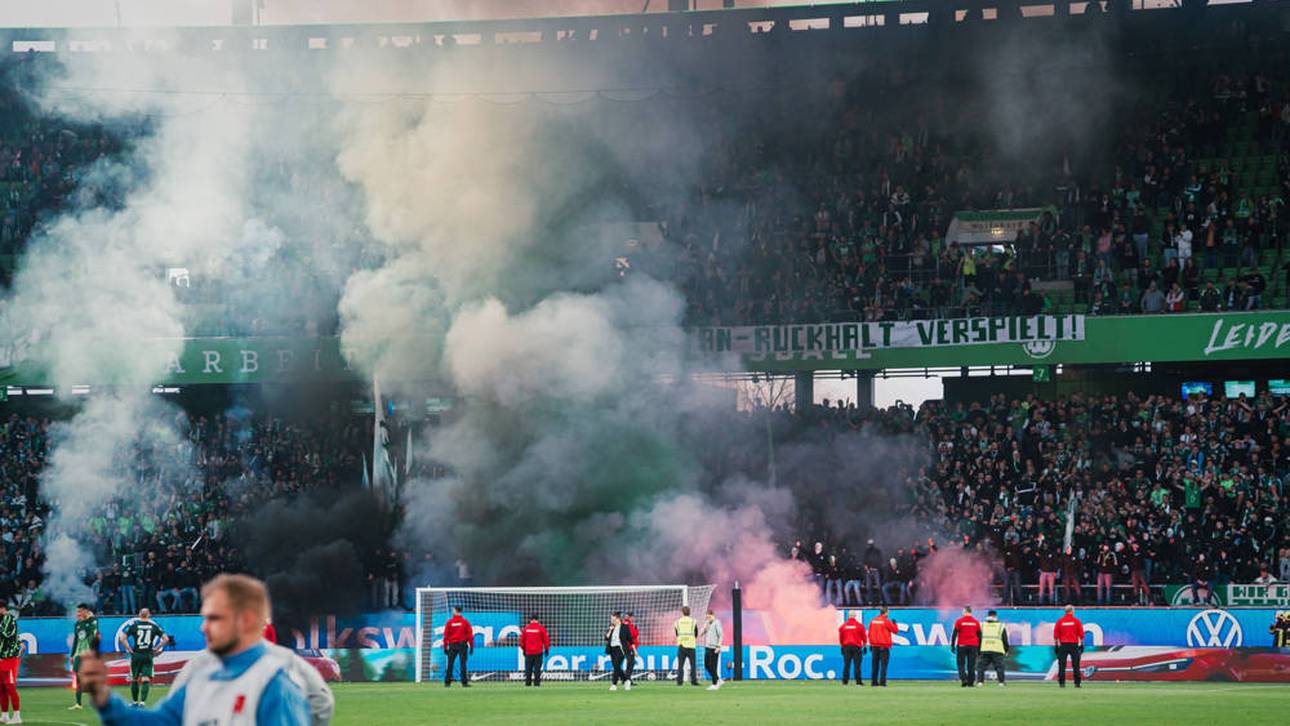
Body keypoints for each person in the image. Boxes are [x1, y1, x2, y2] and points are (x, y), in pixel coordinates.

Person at [77, 573, 310, 725]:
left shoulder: (276, 692)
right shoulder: (202, 681)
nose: (203, 628)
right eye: (204, 618)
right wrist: (103, 696)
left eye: (215, 618)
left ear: (246, 620)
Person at [118, 608, 169, 707]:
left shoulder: (134, 626)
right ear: (149, 615)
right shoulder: (154, 626)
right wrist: (156, 648)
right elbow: (166, 639)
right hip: (147, 654)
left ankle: (134, 702)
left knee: (134, 678)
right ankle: (142, 702)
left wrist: (128, 648)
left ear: (139, 614)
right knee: (146, 679)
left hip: (136, 654)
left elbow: (122, 638)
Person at [69, 603, 100, 711]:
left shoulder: (92, 621)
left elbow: (93, 634)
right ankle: (78, 703)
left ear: (86, 611)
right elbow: (76, 640)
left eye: (80, 611)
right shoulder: (77, 624)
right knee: (78, 677)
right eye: (77, 612)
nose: (78, 614)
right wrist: (72, 654)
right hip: (78, 653)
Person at [1053, 604, 1085, 688]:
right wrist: (1082, 644)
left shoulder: (1060, 621)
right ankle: (1077, 683)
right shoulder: (1076, 621)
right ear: (1071, 611)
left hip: (1063, 645)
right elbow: (1081, 634)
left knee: (1062, 665)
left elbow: (1056, 635)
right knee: (1076, 665)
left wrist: (1056, 645)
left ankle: (1062, 683)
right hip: (1074, 645)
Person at [975, 610, 1010, 687]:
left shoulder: (982, 625)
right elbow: (1005, 639)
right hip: (997, 649)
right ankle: (1001, 682)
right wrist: (1006, 650)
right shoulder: (1001, 626)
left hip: (985, 649)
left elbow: (978, 639)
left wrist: (978, 650)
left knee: (981, 667)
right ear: (995, 616)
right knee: (999, 667)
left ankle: (980, 682)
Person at [0, 603, 22, 724]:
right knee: (1, 688)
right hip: (1, 658)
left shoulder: (9, 618)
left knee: (10, 687)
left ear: (3, 609)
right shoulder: (2, 619)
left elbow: (5, 634)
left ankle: (17, 716)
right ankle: (4, 715)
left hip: (9, 658)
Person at [442, 606, 473, 688]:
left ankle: (447, 683)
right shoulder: (465, 622)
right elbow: (470, 635)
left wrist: (445, 647)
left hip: (452, 645)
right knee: (463, 664)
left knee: (450, 664)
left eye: (453, 610)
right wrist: (471, 646)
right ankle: (464, 683)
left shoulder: (450, 622)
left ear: (455, 611)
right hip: (462, 645)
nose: (452, 611)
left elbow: (446, 635)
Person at [867, 606, 898, 687]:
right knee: (883, 666)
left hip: (874, 646)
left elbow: (869, 633)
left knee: (875, 665)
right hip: (884, 646)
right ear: (886, 612)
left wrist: (871, 644)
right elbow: (895, 631)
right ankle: (882, 682)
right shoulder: (886, 621)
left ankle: (874, 682)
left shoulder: (873, 621)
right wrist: (895, 624)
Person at [950, 606, 981, 688]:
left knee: (961, 664)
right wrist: (979, 648)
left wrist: (952, 645)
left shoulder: (959, 621)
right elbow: (979, 636)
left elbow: (954, 634)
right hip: (973, 646)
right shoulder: (976, 622)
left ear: (965, 611)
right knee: (971, 665)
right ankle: (971, 682)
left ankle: (964, 680)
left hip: (962, 645)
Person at [604, 612, 633, 691]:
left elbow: (629, 639)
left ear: (617, 619)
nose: (611, 620)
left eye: (613, 619)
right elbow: (606, 638)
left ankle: (614, 684)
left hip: (621, 648)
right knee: (616, 666)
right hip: (612, 649)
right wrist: (610, 630)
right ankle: (626, 680)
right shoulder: (612, 627)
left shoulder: (624, 627)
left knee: (616, 665)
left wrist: (633, 649)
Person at [518, 615, 550, 687]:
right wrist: (547, 649)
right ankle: (537, 684)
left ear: (530, 620)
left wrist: (524, 649)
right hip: (538, 652)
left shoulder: (526, 629)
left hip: (528, 652)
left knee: (528, 669)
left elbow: (521, 642)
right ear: (537, 620)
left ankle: (528, 684)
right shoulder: (541, 628)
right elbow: (546, 640)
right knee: (537, 669)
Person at [837, 611, 867, 686]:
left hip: (846, 647)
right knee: (857, 665)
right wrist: (865, 645)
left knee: (846, 665)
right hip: (856, 647)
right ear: (855, 616)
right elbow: (864, 637)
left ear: (848, 616)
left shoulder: (843, 626)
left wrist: (842, 646)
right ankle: (858, 682)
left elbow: (841, 638)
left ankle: (845, 682)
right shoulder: (860, 626)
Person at [673, 606, 699, 687]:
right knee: (693, 665)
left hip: (681, 645)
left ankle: (679, 682)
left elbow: (677, 633)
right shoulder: (693, 621)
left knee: (680, 665)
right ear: (689, 612)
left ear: (682, 612)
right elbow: (696, 633)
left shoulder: (677, 622)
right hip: (691, 645)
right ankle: (693, 681)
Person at [699, 608, 724, 690]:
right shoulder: (707, 623)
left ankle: (715, 684)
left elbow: (721, 635)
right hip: (708, 647)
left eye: (709, 615)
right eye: (707, 616)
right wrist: (704, 627)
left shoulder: (717, 623)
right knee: (706, 665)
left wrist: (718, 646)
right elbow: (702, 633)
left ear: (712, 615)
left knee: (713, 666)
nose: (708, 617)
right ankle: (718, 679)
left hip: (714, 647)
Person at [622, 612, 640, 686]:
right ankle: (627, 679)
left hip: (628, 646)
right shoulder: (627, 624)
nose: (632, 618)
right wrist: (636, 630)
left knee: (630, 663)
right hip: (629, 646)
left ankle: (627, 679)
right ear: (630, 617)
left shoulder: (627, 624)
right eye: (632, 617)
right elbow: (632, 635)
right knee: (630, 663)